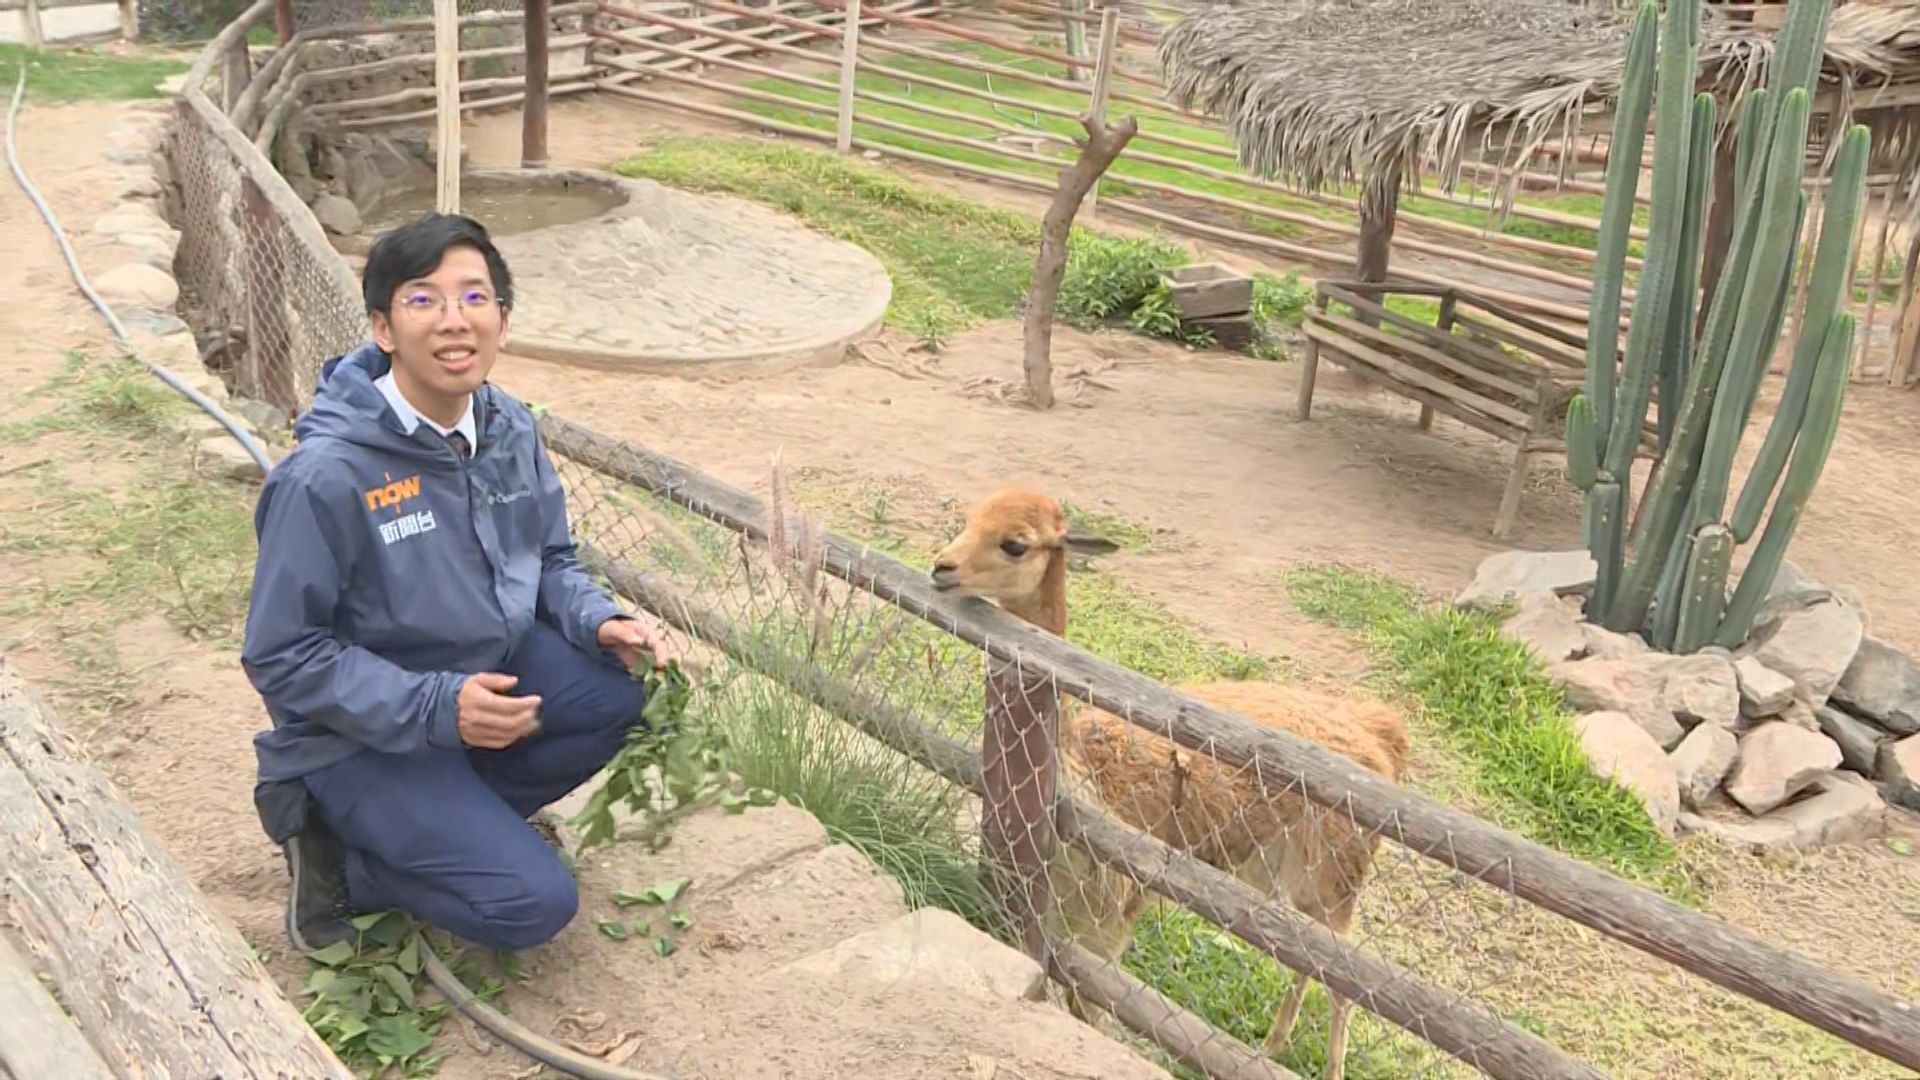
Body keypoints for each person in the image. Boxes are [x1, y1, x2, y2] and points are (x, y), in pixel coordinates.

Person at [242, 212, 677, 954]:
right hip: (356, 738)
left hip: (475, 686)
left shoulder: (507, 428)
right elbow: (281, 655)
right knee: (531, 906)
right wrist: (438, 705)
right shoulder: (325, 478)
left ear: (503, 323)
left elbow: (551, 562)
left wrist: (599, 621)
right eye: (423, 300)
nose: (454, 322)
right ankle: (341, 863)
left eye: (475, 299)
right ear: (383, 328)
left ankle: (459, 821)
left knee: (618, 692)